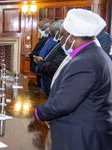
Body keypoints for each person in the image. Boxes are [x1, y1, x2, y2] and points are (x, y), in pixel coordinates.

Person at [35, 9, 112, 150]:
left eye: (62, 35)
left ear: (72, 37)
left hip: (81, 137)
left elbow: (64, 103)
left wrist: (38, 113)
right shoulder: (93, 54)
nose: (61, 40)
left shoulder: (85, 61)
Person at [34, 20, 66, 96]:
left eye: (52, 33)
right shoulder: (58, 44)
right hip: (45, 79)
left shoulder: (64, 47)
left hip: (52, 83)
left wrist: (40, 63)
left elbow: (53, 66)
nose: (51, 35)